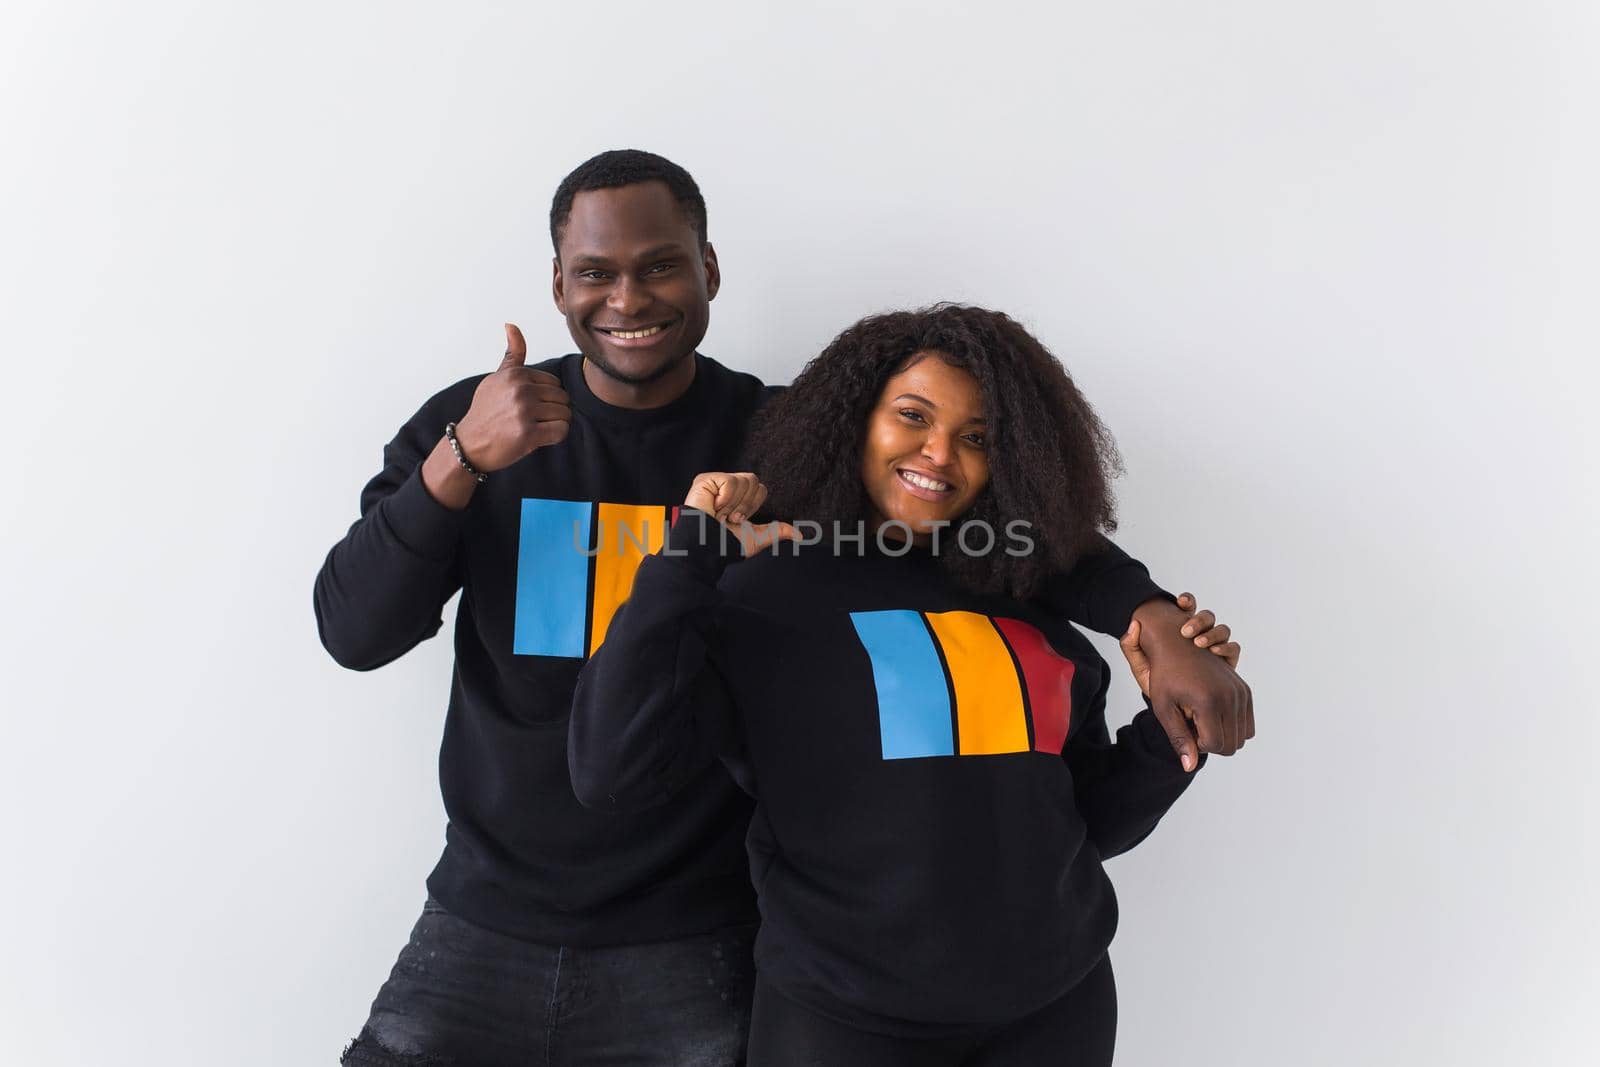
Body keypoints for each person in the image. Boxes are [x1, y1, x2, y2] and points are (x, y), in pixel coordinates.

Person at [316, 151, 1250, 1065]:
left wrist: (1151, 614)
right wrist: (461, 459)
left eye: (661, 266)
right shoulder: (475, 424)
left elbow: (995, 529)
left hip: (699, 934)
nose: (629, 299)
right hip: (487, 914)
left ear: (709, 270)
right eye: (595, 273)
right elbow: (355, 632)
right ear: (557, 285)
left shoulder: (789, 445)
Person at [569, 303, 1245, 1064]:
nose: (939, 454)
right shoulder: (760, 597)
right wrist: (690, 549)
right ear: (854, 417)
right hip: (844, 1021)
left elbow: (1080, 824)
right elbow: (607, 769)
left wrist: (1170, 734)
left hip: (1056, 1012)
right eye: (912, 415)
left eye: (977, 437)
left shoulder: (1033, 599)